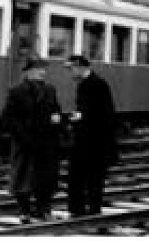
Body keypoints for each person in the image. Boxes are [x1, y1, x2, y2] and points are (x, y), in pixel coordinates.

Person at [1, 56, 62, 222]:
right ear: (28, 72)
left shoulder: (50, 90)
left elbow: (56, 110)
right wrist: (23, 136)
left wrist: (57, 120)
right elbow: (8, 118)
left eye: (44, 69)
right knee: (23, 180)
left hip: (46, 143)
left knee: (46, 180)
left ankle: (44, 210)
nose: (43, 72)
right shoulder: (16, 92)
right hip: (25, 144)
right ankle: (24, 211)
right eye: (38, 69)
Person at [63, 54, 117, 217]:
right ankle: (86, 209)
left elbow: (102, 114)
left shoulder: (93, 85)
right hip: (90, 140)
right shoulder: (92, 83)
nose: (70, 73)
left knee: (85, 176)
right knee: (89, 177)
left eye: (71, 69)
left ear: (80, 67)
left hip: (92, 141)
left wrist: (81, 117)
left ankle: (83, 210)